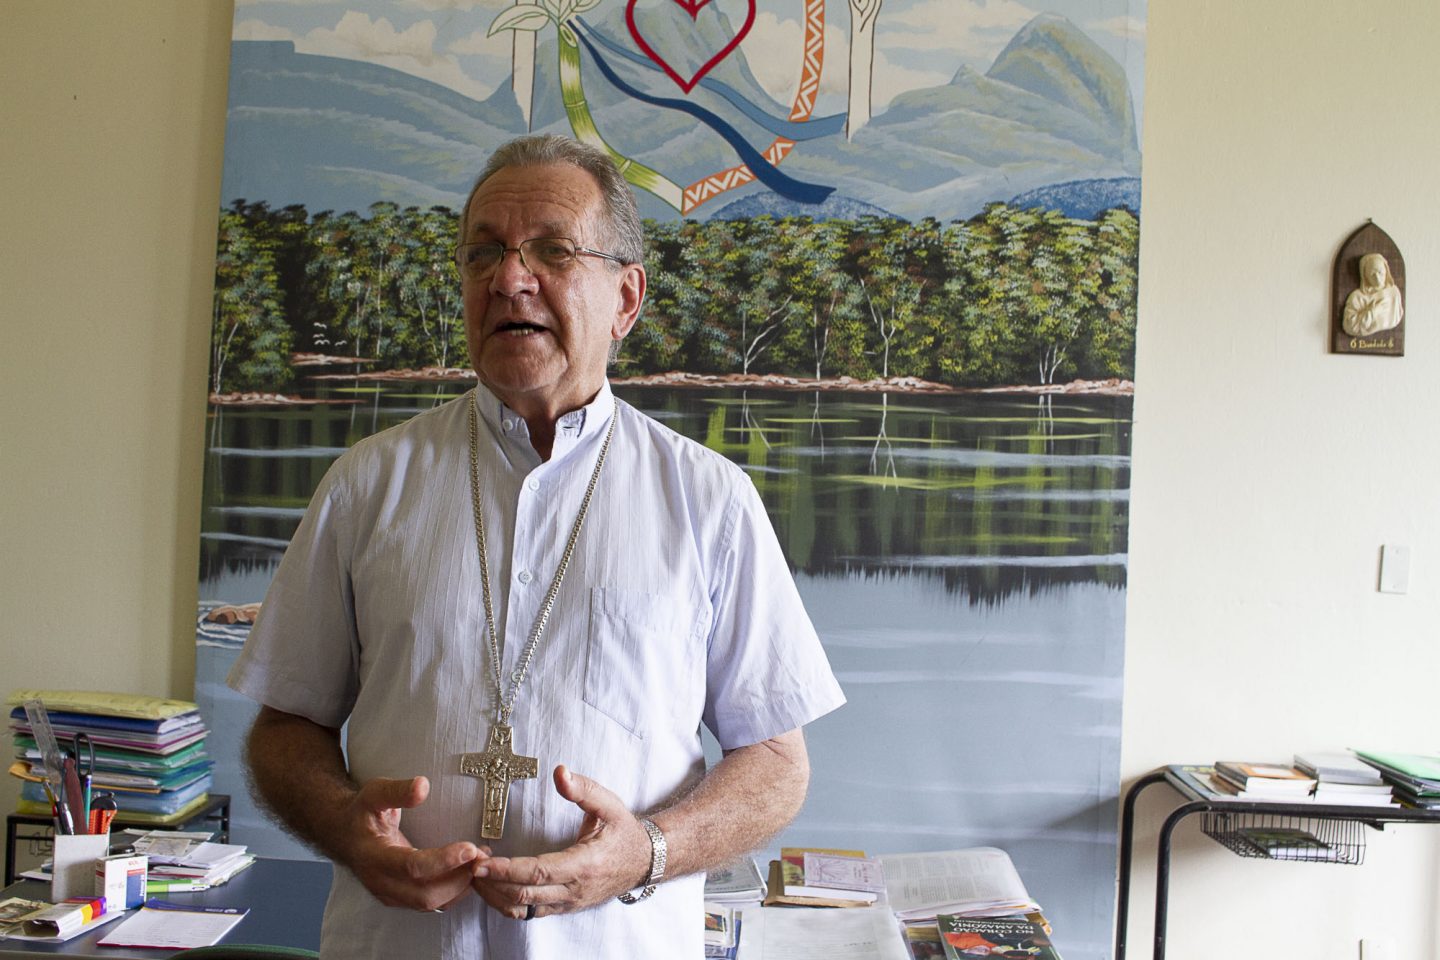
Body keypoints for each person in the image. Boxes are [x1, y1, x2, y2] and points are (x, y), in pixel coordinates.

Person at [227, 133, 846, 959]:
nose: (508, 279)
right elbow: (285, 728)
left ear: (626, 297)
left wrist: (644, 853)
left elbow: (774, 761)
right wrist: (347, 826)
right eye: (483, 252)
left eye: (552, 251)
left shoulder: (710, 501)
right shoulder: (365, 485)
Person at [1342, 252, 1403, 337]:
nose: (1377, 278)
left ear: (1386, 270)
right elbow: (1350, 326)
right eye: (1372, 274)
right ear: (1365, 276)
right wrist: (1373, 312)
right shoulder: (1357, 297)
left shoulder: (1393, 293)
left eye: (1380, 272)